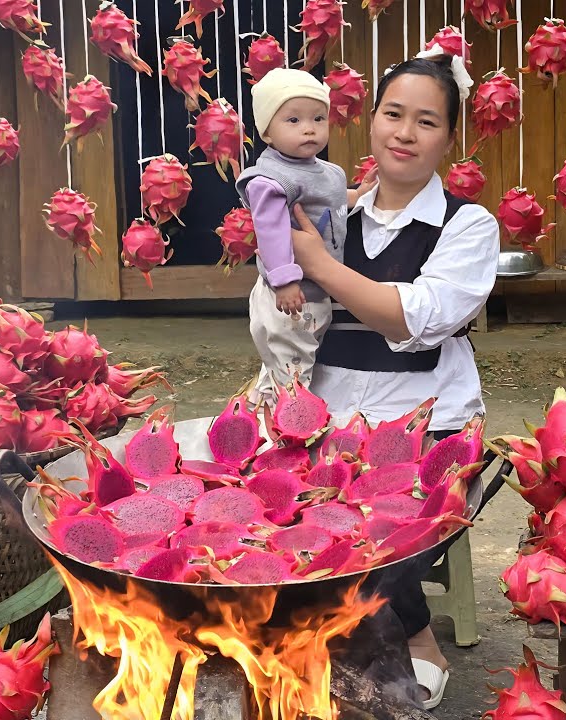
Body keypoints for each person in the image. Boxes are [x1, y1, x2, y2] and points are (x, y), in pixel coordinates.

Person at [285, 48, 498, 710]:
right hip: (326, 424)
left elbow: (414, 318)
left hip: (433, 426)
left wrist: (319, 264)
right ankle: (335, 637)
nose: (405, 134)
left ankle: (419, 638)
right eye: (393, 114)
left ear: (450, 138)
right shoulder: (334, 215)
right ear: (371, 121)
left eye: (426, 122)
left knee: (384, 525)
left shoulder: (468, 225)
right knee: (276, 516)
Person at [235, 68, 376, 403]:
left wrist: (358, 194)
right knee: (294, 367)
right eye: (293, 120)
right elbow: (271, 230)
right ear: (266, 132)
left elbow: (329, 202)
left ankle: (261, 408)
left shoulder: (326, 171)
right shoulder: (271, 179)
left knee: (286, 360)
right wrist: (285, 280)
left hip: (313, 291)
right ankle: (291, 416)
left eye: (318, 118)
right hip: (290, 295)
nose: (309, 128)